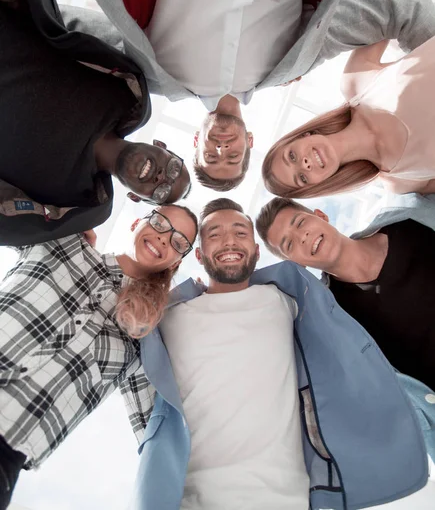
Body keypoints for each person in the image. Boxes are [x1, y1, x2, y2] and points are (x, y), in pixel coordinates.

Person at [40, 0, 435, 190]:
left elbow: (64, 25)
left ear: (197, 141)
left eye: (213, 156)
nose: (223, 149)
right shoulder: (297, 62)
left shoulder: (151, 78)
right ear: (250, 141)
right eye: (233, 158)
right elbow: (403, 9)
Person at [131, 198, 430, 510]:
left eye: (241, 233)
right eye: (215, 235)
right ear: (199, 254)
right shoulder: (168, 317)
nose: (229, 240)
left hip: (290, 500)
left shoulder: (289, 303)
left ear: (258, 252)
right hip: (190, 501)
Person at [0, 0, 191, 248]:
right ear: (163, 147)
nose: (163, 178)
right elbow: (71, 28)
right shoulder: (125, 94)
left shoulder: (82, 200)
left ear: (137, 199)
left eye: (162, 191)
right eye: (173, 170)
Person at [0, 204, 198, 510]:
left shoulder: (144, 340)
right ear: (136, 223)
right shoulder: (63, 243)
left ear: (175, 263)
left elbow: (158, 436)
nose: (164, 238)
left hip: (8, 451)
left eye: (179, 242)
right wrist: (66, 211)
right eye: (160, 223)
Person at [256, 193, 435, 459]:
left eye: (300, 223)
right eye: (290, 243)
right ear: (295, 263)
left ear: (320, 215)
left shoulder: (409, 220)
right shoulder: (334, 321)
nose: (302, 237)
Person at [262, 28, 435, 199]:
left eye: (292, 156)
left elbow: (391, 7)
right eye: (302, 178)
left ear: (302, 136)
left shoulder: (355, 84)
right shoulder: (399, 181)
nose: (304, 164)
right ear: (321, 184)